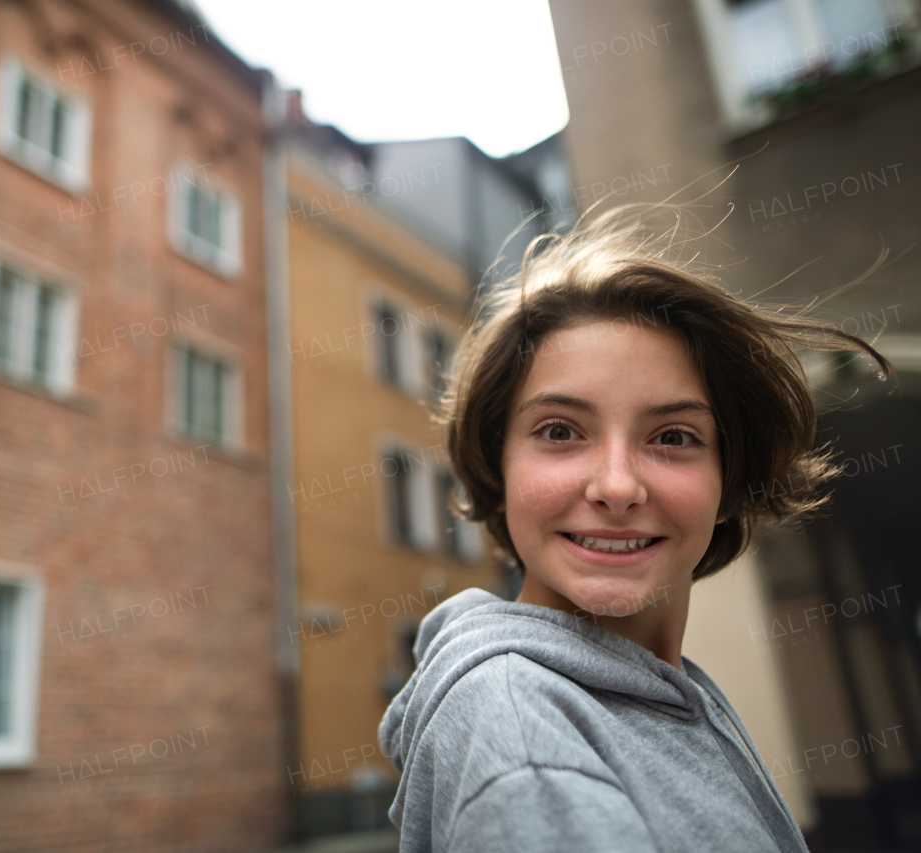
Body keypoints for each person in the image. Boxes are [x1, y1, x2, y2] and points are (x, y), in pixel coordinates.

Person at [377, 203, 895, 852]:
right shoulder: (521, 727)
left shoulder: (671, 693)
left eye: (673, 436)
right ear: (496, 468)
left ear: (730, 482)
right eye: (560, 431)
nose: (617, 485)